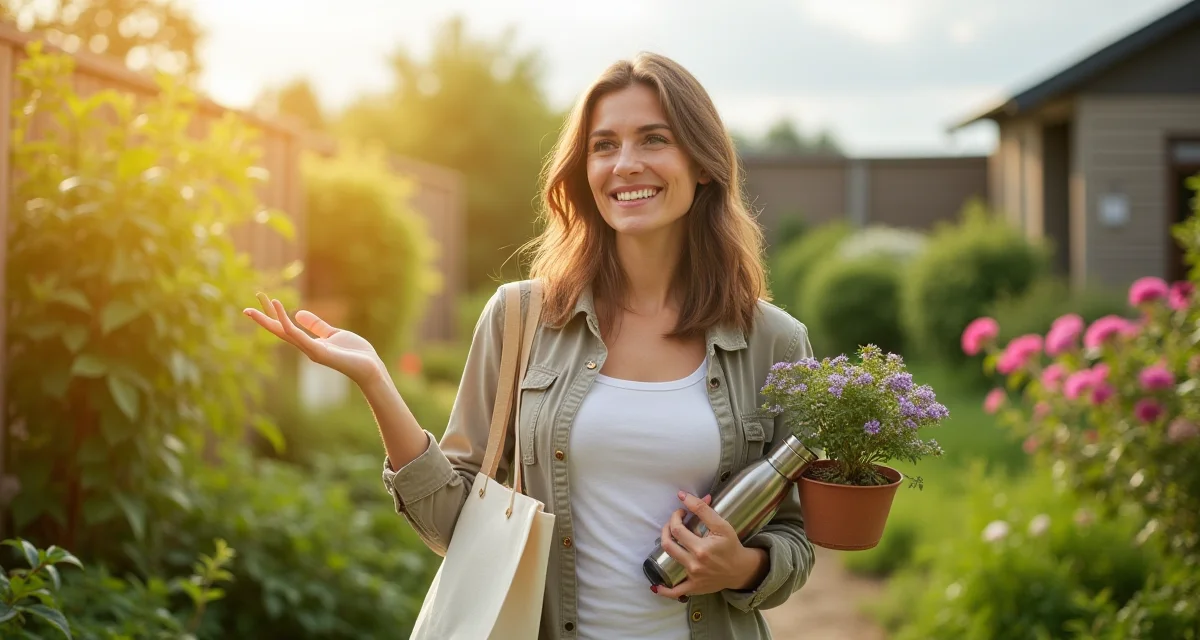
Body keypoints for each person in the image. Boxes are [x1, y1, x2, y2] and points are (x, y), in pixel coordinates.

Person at [245, 51, 816, 640]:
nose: (625, 164)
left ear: (702, 163)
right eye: (603, 145)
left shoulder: (772, 340)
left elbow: (796, 538)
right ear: (583, 170)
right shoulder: (521, 318)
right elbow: (454, 528)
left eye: (653, 140)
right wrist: (377, 382)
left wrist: (743, 566)